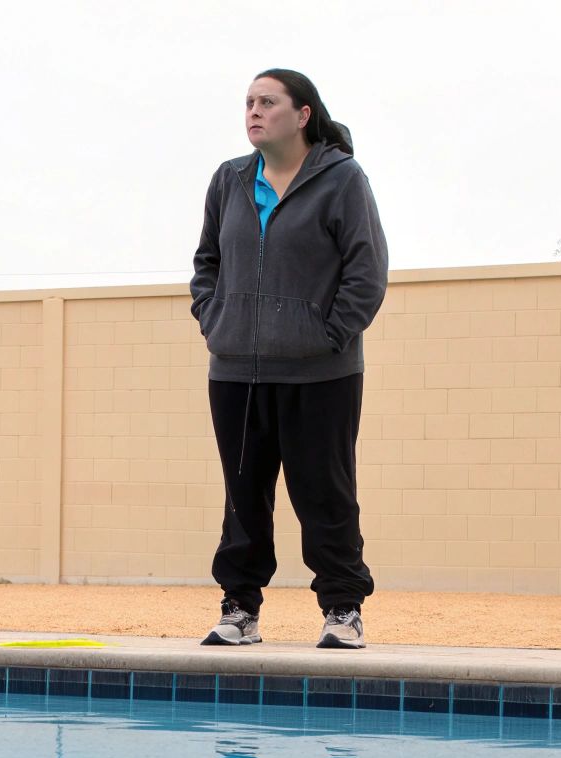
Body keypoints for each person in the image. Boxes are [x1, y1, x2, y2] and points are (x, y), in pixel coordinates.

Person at [189, 69, 389, 649]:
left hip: (321, 370)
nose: (253, 111)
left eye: (267, 102)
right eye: (249, 102)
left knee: (324, 492)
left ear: (302, 115)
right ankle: (240, 610)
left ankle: (343, 609)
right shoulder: (228, 180)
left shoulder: (342, 179)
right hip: (235, 369)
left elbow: (366, 269)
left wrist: (329, 335)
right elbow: (207, 261)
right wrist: (215, 318)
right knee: (243, 495)